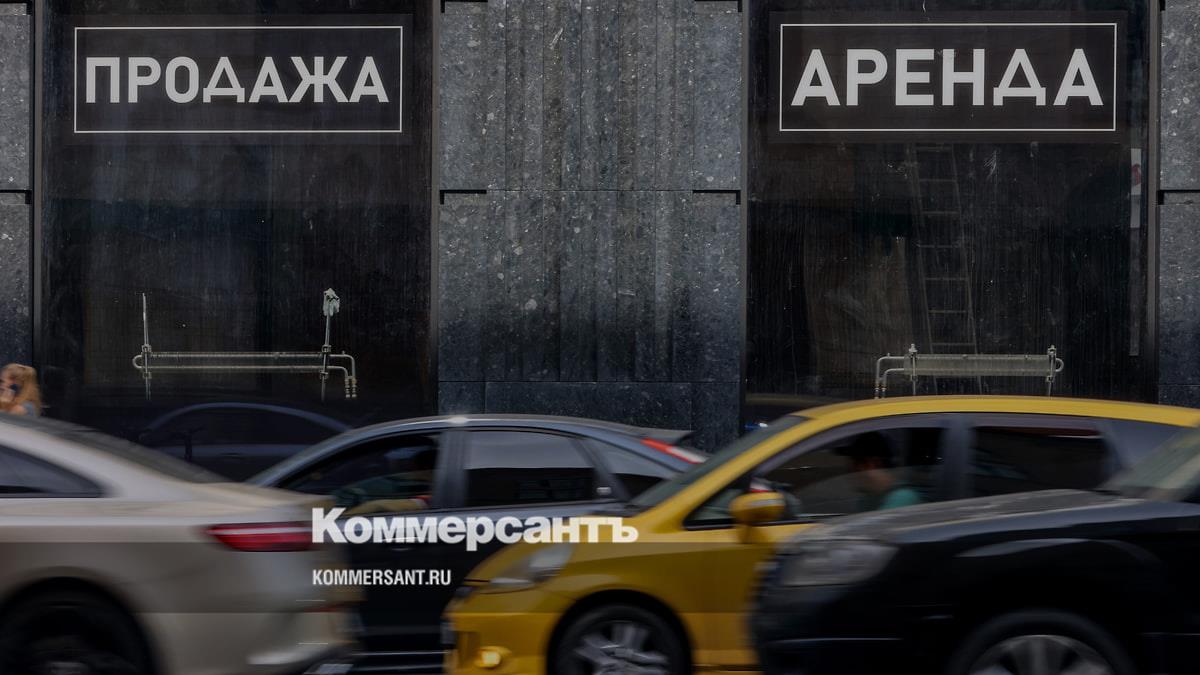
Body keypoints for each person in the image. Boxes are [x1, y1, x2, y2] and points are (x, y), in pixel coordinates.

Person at [838, 431, 922, 511]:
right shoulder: (868, 498)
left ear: (873, 464)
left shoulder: (903, 498)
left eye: (855, 465)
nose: (850, 474)